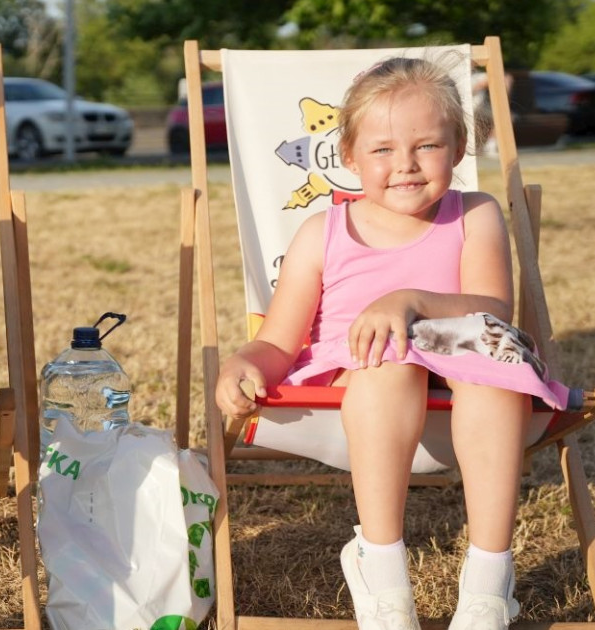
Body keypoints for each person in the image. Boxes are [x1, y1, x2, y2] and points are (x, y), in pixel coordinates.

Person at [215, 57, 568, 630]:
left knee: (490, 370)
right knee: (389, 364)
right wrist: (243, 360)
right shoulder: (321, 233)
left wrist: (412, 300)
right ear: (349, 156)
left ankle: (488, 583)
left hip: (470, 410)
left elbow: (494, 310)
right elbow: (279, 342)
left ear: (458, 150)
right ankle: (382, 574)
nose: (405, 165)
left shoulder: (473, 214)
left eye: (427, 146)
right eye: (381, 150)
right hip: (356, 408)